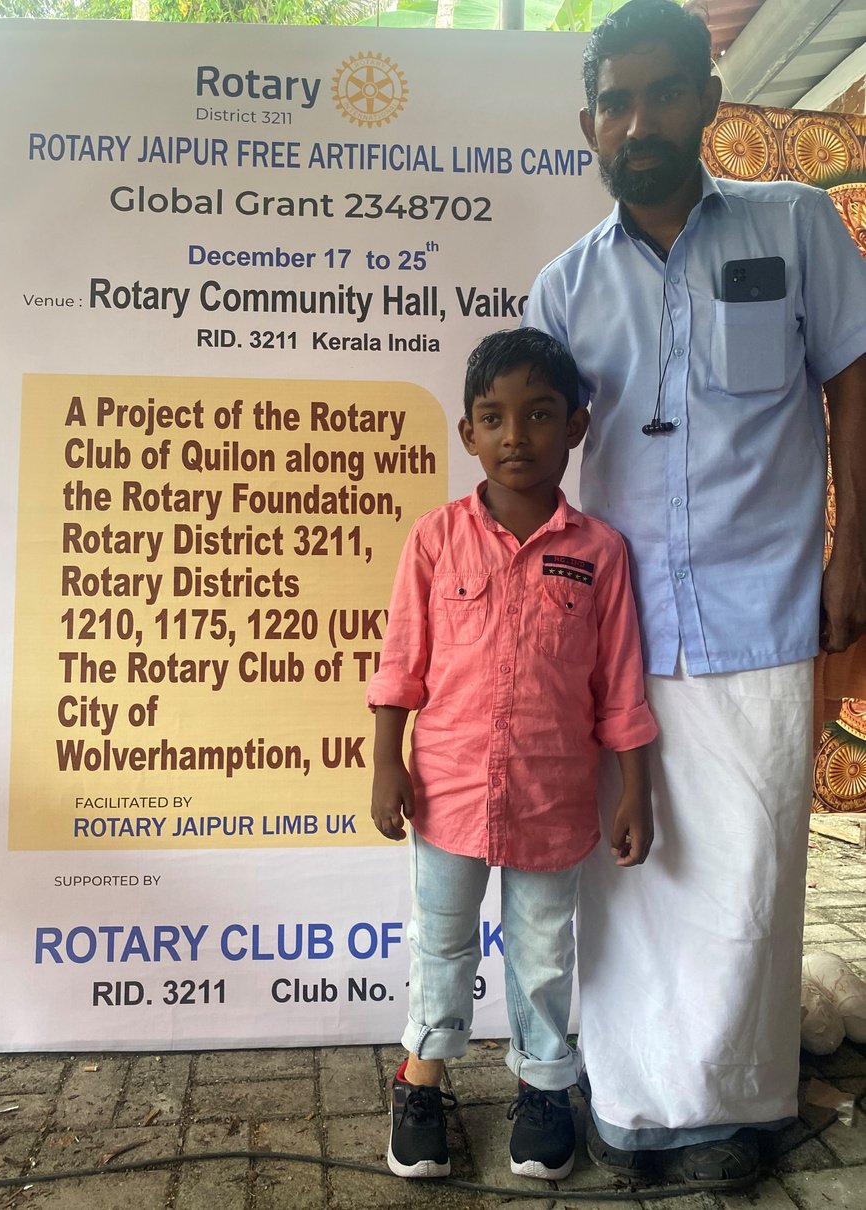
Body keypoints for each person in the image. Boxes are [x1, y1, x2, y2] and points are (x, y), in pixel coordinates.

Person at [523, 0, 866, 1190]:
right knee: (630, 880)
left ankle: (734, 1108)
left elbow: (850, 388)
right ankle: (629, 1104)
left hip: (762, 605)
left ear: (708, 100)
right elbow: (530, 466)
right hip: (614, 633)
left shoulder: (797, 226)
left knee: (751, 870)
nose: (639, 120)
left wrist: (853, 550)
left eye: (662, 92)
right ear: (587, 126)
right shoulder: (561, 288)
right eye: (614, 102)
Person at [366, 327, 658, 1181]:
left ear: (576, 426)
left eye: (538, 416)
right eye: (493, 418)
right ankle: (422, 1080)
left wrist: (633, 793)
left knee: (542, 952)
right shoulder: (435, 539)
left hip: (555, 798)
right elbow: (401, 661)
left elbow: (622, 688)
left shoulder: (599, 555)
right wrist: (389, 760)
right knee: (443, 944)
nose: (515, 437)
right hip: (448, 792)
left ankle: (542, 1087)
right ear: (467, 434)